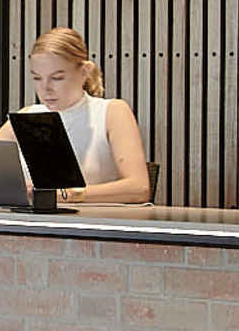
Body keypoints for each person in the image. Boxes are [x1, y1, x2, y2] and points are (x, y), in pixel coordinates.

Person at [14, 26, 152, 206]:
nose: (45, 88)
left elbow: (139, 189)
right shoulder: (28, 116)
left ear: (84, 72)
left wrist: (67, 194)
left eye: (57, 78)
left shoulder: (111, 112)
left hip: (94, 227)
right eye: (37, 78)